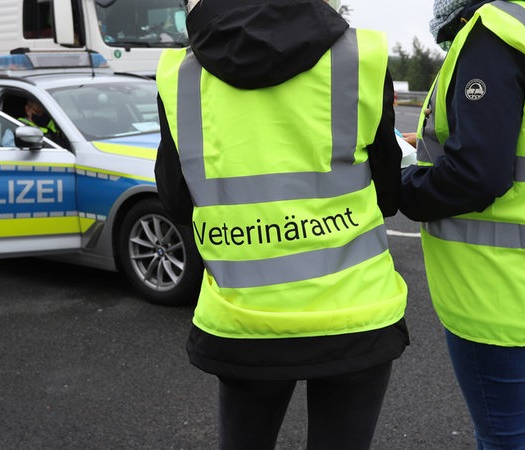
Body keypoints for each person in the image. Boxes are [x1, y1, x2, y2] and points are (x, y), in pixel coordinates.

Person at [154, 0, 409, 448]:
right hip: (356, 316)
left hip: (245, 320)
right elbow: (388, 193)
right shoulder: (361, 56)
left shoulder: (180, 74)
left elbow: (176, 198)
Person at [399, 0, 525, 448]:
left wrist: (405, 184)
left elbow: (478, 175)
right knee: (517, 434)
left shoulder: (494, 30)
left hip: (495, 286)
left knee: (509, 439)